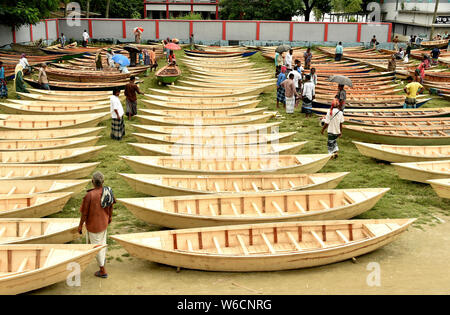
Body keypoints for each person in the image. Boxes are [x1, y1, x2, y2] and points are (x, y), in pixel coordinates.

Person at [78, 171, 115, 279]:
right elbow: (111, 206)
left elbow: (84, 214)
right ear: (103, 181)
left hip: (93, 226)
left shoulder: (89, 195)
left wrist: (80, 226)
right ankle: (102, 259)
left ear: (92, 182)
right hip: (104, 222)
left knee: (96, 246)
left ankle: (102, 270)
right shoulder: (108, 191)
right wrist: (110, 217)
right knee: (102, 242)